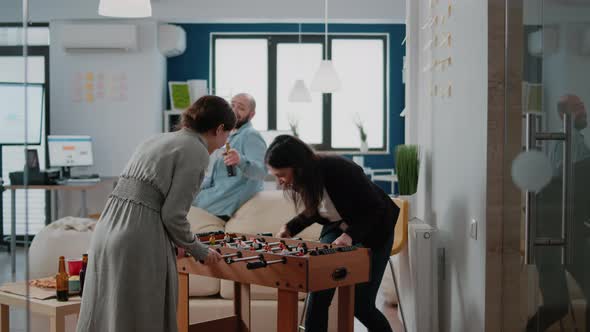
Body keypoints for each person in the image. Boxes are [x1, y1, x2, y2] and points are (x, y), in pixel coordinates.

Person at [76, 95, 233, 332]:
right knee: (141, 318)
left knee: (104, 313)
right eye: (227, 135)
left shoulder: (155, 140)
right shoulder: (196, 151)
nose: (224, 143)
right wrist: (198, 249)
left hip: (107, 229)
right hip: (137, 237)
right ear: (219, 129)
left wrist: (178, 240)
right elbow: (173, 215)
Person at [267, 135, 399, 332]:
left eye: (282, 175)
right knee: (318, 294)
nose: (280, 182)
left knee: (361, 305)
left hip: (376, 227)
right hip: (338, 226)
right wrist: (291, 228)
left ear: (298, 166)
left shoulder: (341, 169)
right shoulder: (306, 179)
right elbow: (318, 209)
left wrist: (350, 236)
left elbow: (375, 208)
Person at [193, 93, 267, 221]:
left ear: (251, 115)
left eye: (241, 108)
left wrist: (241, 160)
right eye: (232, 105)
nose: (234, 110)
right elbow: (217, 179)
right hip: (214, 196)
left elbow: (261, 172)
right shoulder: (229, 136)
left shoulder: (250, 135)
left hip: (225, 203)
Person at [549, 94, 590, 174]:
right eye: (576, 108)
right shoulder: (570, 136)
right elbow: (565, 175)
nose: (583, 111)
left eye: (582, 107)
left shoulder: (574, 136)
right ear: (562, 114)